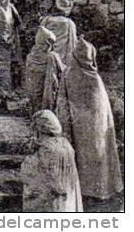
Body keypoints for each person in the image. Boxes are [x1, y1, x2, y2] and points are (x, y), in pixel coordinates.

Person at [55, 39, 123, 203]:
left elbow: (63, 103)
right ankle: (101, 190)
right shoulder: (96, 78)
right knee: (99, 156)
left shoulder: (69, 74)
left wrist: (63, 127)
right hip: (97, 127)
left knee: (84, 157)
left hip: (79, 127)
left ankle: (85, 191)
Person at [20, 110, 83, 212]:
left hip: (51, 196)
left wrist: (29, 156)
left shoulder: (47, 148)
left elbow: (30, 170)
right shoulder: (65, 143)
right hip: (67, 190)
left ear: (40, 128)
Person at [25, 27, 64, 116]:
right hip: (45, 89)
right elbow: (62, 70)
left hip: (34, 88)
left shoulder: (30, 56)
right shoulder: (52, 56)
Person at [41, 0, 79, 69]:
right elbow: (74, 43)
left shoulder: (47, 20)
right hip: (64, 56)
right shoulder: (70, 23)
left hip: (49, 54)